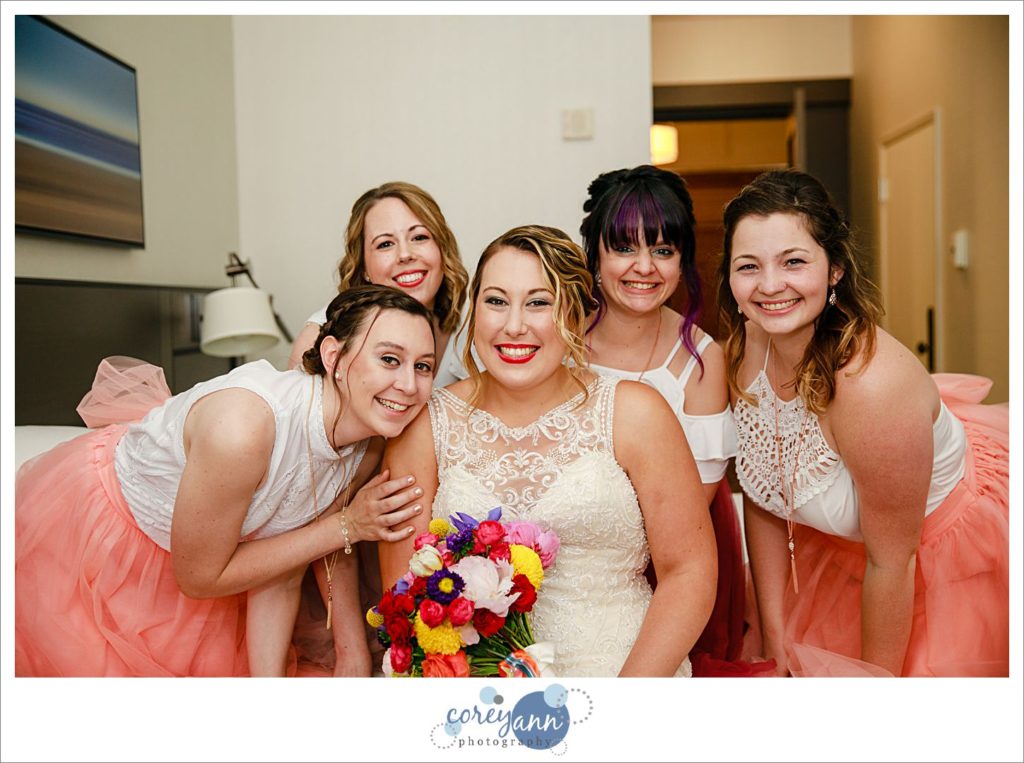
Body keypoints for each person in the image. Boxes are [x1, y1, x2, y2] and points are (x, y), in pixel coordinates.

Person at [15, 285, 435, 677]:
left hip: (226, 562)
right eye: (389, 360)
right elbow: (198, 578)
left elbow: (283, 566)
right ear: (333, 358)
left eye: (423, 367)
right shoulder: (242, 429)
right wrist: (348, 525)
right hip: (108, 542)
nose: (409, 385)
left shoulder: (369, 444)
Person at [379, 225, 717, 677]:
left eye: (539, 302)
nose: (514, 325)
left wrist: (626, 706)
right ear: (473, 311)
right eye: (496, 301)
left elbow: (689, 571)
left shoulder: (635, 413)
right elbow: (404, 591)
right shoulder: (425, 425)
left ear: (575, 314)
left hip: (627, 675)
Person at [720, 169, 1009, 677]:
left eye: (794, 262)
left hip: (928, 559)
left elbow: (892, 564)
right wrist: (773, 638)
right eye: (748, 266)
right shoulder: (744, 350)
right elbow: (765, 499)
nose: (769, 286)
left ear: (834, 269)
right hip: (840, 550)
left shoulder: (871, 386)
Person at [579, 165, 750, 675]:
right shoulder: (557, 339)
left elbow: (688, 502)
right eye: (624, 248)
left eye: (663, 250)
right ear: (595, 254)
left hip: (671, 554)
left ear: (683, 261)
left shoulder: (700, 359)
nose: (644, 268)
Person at [288, 181, 469, 385]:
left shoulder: (468, 330)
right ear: (363, 266)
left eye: (419, 237)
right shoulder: (320, 337)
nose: (405, 254)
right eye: (385, 244)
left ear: (442, 251)